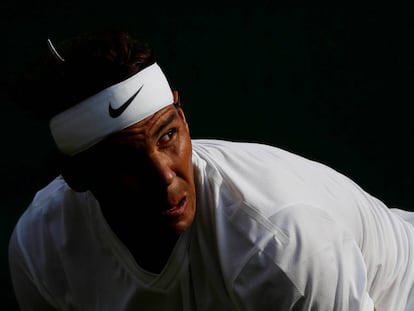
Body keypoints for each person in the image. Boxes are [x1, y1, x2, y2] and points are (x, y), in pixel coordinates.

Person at [7, 29, 414, 311]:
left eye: (167, 135)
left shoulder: (280, 242)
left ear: (184, 119)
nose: (163, 176)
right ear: (79, 177)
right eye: (125, 161)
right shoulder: (42, 248)